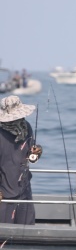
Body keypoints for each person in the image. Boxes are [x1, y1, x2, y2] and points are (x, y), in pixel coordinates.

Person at [0, 95, 42, 224]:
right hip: (4, 194)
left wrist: (37, 151)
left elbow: (30, 153)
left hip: (25, 190)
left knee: (27, 229)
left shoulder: (26, 127)